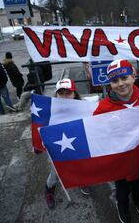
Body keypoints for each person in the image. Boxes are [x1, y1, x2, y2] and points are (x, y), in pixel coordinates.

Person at [93, 59, 139, 223]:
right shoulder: (103, 107)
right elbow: (96, 134)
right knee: (121, 193)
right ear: (110, 84)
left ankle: (138, 199)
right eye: (114, 80)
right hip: (119, 163)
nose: (120, 84)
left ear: (133, 76)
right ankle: (123, 206)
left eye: (124, 77)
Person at [44, 78, 83, 209]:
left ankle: (83, 181)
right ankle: (49, 189)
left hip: (78, 146)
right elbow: (41, 130)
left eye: (68, 93)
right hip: (57, 148)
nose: (65, 97)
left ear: (75, 94)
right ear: (56, 95)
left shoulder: (84, 108)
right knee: (56, 172)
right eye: (61, 93)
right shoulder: (49, 110)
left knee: (79, 166)